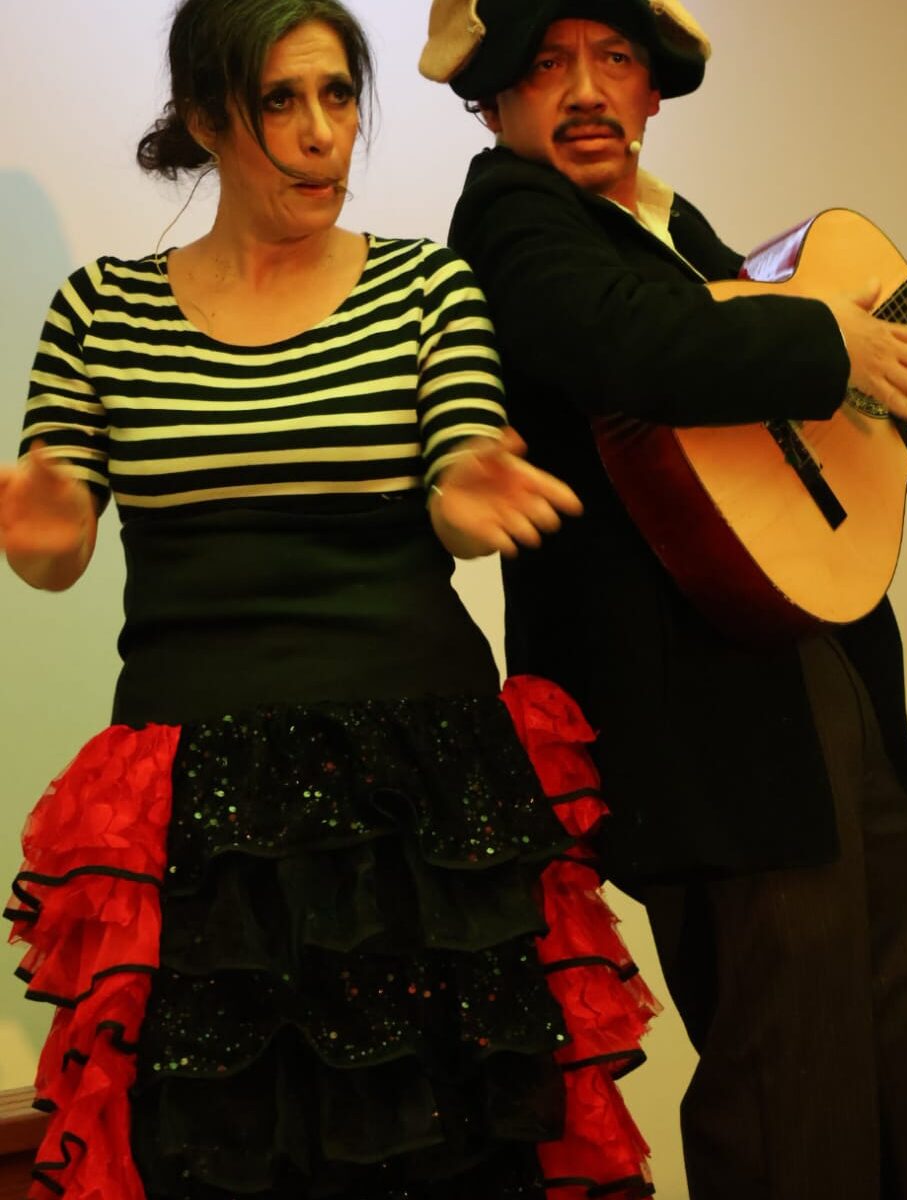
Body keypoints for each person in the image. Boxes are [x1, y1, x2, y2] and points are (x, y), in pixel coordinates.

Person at [0, 2, 662, 1197]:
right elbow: (54, 549)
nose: (321, 133)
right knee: (220, 1150)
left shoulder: (425, 285)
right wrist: (41, 522)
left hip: (418, 794)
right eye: (280, 100)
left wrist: (468, 486)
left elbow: (461, 469)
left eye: (340, 96)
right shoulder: (102, 310)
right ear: (207, 119)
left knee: (450, 1152)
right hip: (199, 807)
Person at [419, 1, 907, 1197]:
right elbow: (637, 349)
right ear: (495, 98)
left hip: (806, 661)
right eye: (548, 64)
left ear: (652, 90)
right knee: (790, 1079)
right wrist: (830, 346)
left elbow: (799, 406)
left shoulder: (673, 229)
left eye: (614, 59)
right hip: (696, 710)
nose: (585, 89)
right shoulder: (511, 216)